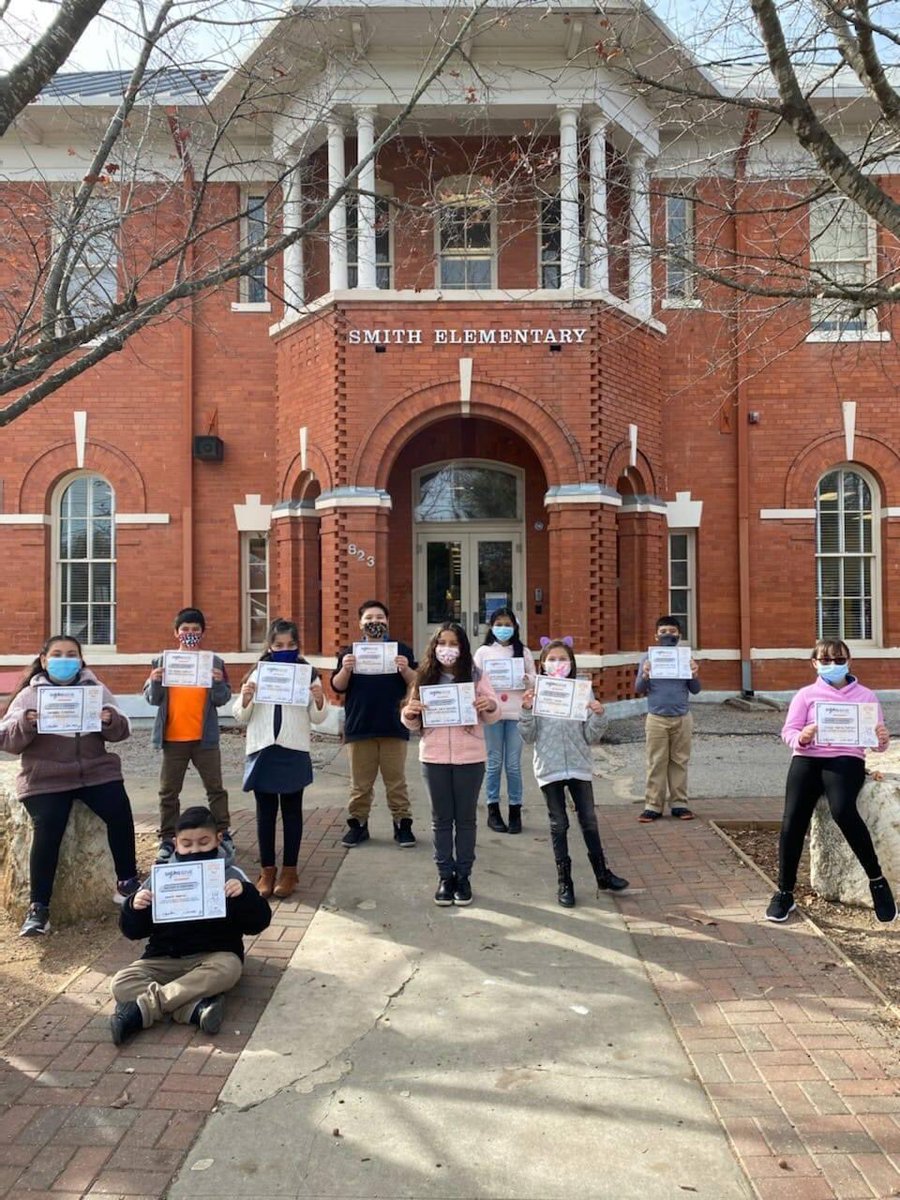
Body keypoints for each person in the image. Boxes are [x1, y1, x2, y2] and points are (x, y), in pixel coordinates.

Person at [0, 635, 140, 937]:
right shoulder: (29, 695)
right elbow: (6, 740)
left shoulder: (95, 689)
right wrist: (27, 721)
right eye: (58, 654)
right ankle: (39, 908)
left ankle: (127, 882)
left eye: (72, 654)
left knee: (119, 810)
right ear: (44, 659)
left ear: (80, 659)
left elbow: (124, 729)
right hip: (46, 776)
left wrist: (109, 719)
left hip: (94, 771)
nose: (65, 660)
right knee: (48, 827)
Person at [109, 805, 272, 1045]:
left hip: (213, 956)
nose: (195, 849)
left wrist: (245, 895)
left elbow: (258, 923)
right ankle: (192, 1009)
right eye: (187, 844)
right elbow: (133, 931)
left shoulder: (232, 875)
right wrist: (134, 907)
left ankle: (143, 1010)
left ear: (218, 839)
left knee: (229, 969)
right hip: (162, 959)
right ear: (176, 843)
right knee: (121, 983)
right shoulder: (160, 877)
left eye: (203, 842)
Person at [766, 639, 896, 924]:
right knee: (792, 820)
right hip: (807, 758)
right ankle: (784, 892)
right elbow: (789, 731)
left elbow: (876, 742)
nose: (832, 665)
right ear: (814, 663)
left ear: (849, 662)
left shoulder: (866, 696)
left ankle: (877, 881)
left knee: (842, 810)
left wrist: (882, 740)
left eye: (839, 660)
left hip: (845, 759)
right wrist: (802, 736)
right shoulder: (806, 695)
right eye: (825, 660)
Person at [519, 638, 628, 907]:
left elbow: (591, 735)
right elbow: (528, 736)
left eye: (563, 659)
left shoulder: (582, 692)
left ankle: (602, 874)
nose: (558, 664)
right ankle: (564, 882)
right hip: (550, 767)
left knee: (589, 820)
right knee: (559, 824)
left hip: (579, 766)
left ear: (572, 663)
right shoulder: (537, 693)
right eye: (552, 659)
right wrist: (525, 710)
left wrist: (599, 715)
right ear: (542, 665)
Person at [401, 622, 500, 906]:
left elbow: (493, 710)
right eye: (442, 643)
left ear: (462, 647)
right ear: (434, 647)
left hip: (470, 758)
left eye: (453, 643)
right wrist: (410, 713)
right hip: (434, 758)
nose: (447, 649)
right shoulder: (424, 677)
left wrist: (489, 706)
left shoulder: (476, 675)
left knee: (466, 820)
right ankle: (445, 876)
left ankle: (464, 876)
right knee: (441, 820)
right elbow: (410, 719)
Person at [233, 618, 329, 899]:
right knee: (265, 814)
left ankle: (289, 870)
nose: (284, 649)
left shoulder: (307, 673)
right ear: (270, 646)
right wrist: (246, 698)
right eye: (278, 645)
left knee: (291, 812)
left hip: (293, 747)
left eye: (290, 645)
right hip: (263, 748)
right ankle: (267, 870)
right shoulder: (257, 673)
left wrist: (320, 699)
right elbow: (241, 716)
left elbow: (318, 717)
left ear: (298, 645)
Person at [144, 608, 234, 864]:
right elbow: (153, 699)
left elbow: (222, 699)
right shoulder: (162, 661)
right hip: (173, 739)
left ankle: (222, 833)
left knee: (215, 789)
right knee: (168, 791)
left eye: (195, 630)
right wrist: (154, 681)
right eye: (185, 629)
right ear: (176, 633)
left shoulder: (214, 663)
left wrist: (218, 682)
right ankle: (168, 838)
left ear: (202, 633)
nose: (190, 634)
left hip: (204, 739)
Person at [332, 600, 418, 848]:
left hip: (393, 725)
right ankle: (358, 824)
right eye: (369, 618)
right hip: (360, 726)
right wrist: (347, 669)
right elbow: (338, 686)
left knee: (396, 781)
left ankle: (402, 824)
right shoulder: (350, 652)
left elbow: (415, 681)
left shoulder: (400, 649)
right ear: (360, 624)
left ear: (387, 622)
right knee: (360, 784)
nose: (375, 622)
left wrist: (404, 669)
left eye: (380, 617)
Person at [473, 607, 535, 834]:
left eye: (508, 624)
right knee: (494, 762)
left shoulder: (523, 652)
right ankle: (493, 810)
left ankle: (515, 810)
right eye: (499, 624)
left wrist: (526, 679)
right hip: (492, 714)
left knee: (513, 764)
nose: (503, 628)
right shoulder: (483, 653)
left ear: (515, 627)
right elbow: (475, 682)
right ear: (491, 627)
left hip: (516, 713)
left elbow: (534, 680)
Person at [634, 615, 701, 822]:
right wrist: (645, 675)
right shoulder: (647, 659)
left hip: (682, 717)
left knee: (679, 761)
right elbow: (638, 689)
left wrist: (694, 673)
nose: (668, 636)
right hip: (656, 718)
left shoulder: (685, 658)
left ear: (679, 635)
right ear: (656, 636)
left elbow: (695, 690)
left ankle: (679, 804)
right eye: (663, 632)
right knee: (656, 762)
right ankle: (653, 805)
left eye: (672, 632)